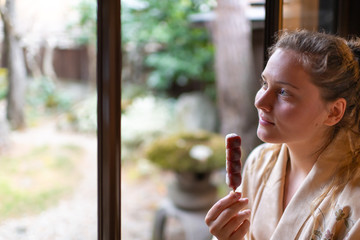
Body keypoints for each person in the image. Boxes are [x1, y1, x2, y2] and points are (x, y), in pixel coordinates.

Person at [205, 29, 360, 239]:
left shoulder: (354, 203)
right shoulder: (260, 163)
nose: (260, 102)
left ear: (333, 112)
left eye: (284, 92)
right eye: (264, 84)